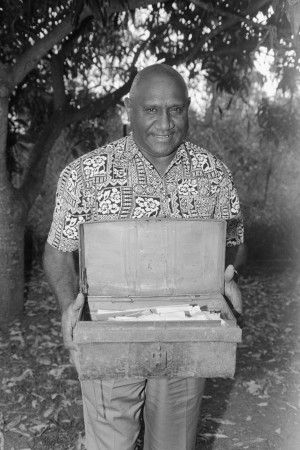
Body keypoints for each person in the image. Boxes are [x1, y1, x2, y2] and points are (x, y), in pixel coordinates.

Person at [43, 64, 245, 450]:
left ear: (188, 109)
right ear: (128, 109)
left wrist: (228, 276)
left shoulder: (214, 175)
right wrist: (69, 306)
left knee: (173, 442)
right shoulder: (85, 175)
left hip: (187, 331)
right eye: (151, 109)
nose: (165, 123)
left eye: (175, 109)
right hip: (108, 332)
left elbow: (235, 241)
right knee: (110, 443)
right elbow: (56, 250)